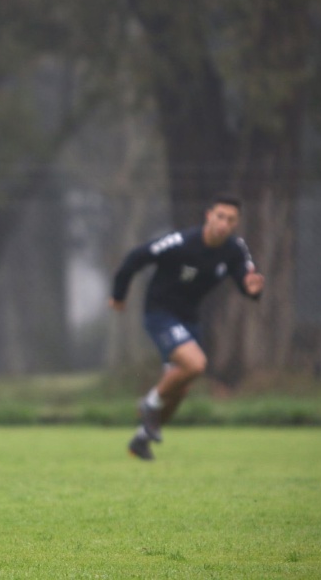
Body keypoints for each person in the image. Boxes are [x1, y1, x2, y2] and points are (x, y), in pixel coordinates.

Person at [109, 194, 263, 461]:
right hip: (159, 313)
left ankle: (142, 439)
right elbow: (136, 257)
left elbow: (245, 279)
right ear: (208, 216)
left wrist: (252, 289)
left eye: (231, 219)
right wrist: (119, 295)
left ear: (236, 223)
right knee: (195, 365)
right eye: (220, 217)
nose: (224, 224)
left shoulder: (235, 249)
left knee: (181, 387)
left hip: (189, 319)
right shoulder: (181, 242)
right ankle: (149, 404)